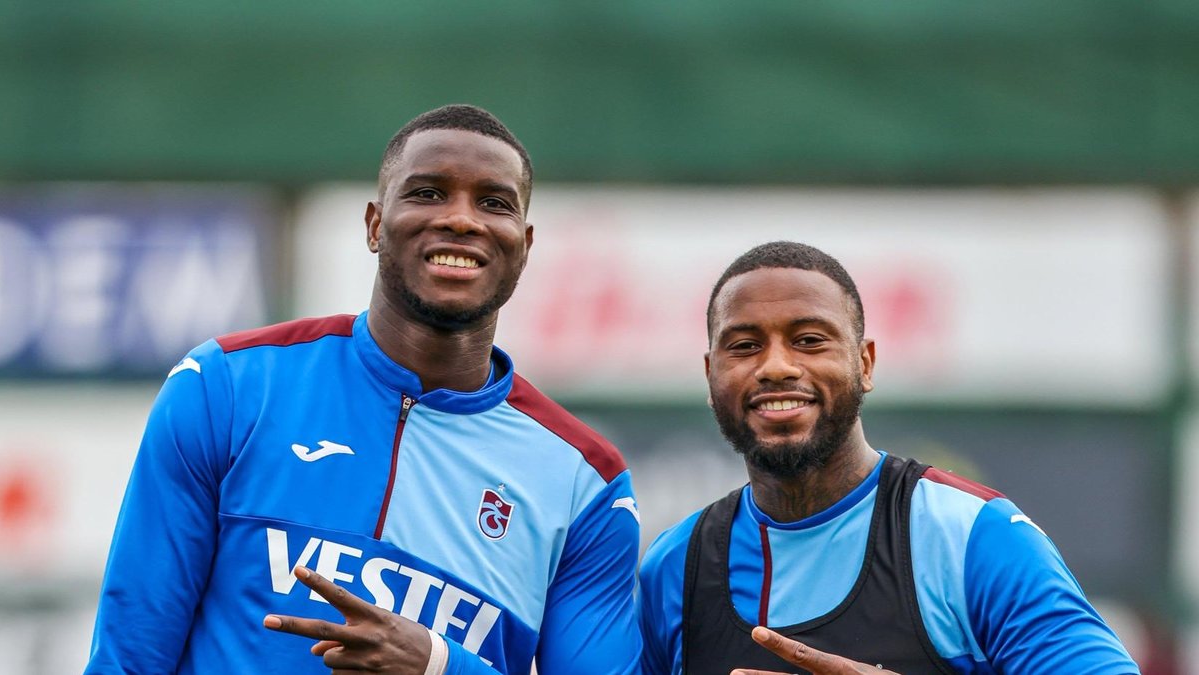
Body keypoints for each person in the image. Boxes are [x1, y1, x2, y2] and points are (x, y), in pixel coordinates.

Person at [86, 104, 642, 674]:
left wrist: (439, 666)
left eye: (494, 203)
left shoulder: (586, 484)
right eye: (427, 193)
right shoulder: (228, 385)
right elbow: (128, 656)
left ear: (523, 245)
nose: (461, 219)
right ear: (375, 225)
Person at [637, 241, 1139, 674]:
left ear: (865, 363)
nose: (776, 366)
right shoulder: (675, 566)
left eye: (809, 341)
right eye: (745, 346)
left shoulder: (971, 537)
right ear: (710, 376)